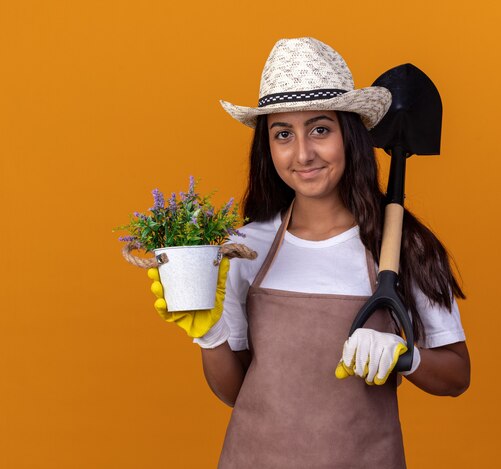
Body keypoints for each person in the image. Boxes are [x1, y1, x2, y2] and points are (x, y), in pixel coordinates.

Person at [149, 37, 470, 468]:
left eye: (320, 129)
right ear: (268, 148)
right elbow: (236, 393)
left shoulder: (401, 246)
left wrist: (404, 354)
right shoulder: (246, 247)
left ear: (349, 135)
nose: (303, 154)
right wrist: (211, 338)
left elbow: (456, 375)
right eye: (283, 134)